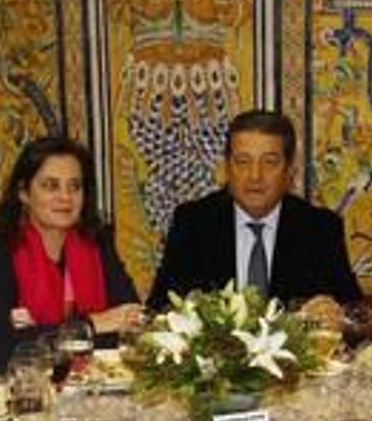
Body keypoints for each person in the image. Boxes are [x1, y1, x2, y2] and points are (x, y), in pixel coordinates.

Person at [147, 109, 361, 320]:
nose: (255, 175)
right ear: (227, 168)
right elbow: (159, 310)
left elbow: (352, 311)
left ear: (290, 170)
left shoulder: (320, 228)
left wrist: (336, 314)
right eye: (243, 161)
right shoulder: (193, 223)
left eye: (269, 162)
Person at [0, 136, 142, 372]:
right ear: (23, 193)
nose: (65, 197)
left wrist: (41, 335)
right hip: (21, 393)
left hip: (95, 384)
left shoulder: (98, 245)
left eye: (75, 186)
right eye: (51, 186)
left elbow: (131, 324)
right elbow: (3, 350)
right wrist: (92, 325)